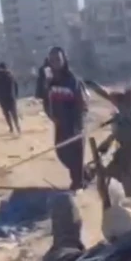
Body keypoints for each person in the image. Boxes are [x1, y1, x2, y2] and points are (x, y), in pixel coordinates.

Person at [45, 47, 88, 192]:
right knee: (61, 153)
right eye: (52, 60)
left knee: (76, 157)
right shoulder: (51, 81)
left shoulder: (73, 81)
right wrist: (52, 116)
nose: (55, 63)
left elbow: (82, 104)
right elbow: (47, 100)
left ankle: (78, 184)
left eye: (57, 59)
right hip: (60, 125)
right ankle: (83, 176)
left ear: (64, 60)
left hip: (74, 125)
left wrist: (78, 125)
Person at [0, 62, 21, 134]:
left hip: (3, 98)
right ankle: (17, 127)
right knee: (14, 113)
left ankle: (11, 128)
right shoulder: (10, 75)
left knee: (6, 114)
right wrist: (16, 95)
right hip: (11, 97)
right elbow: (16, 86)